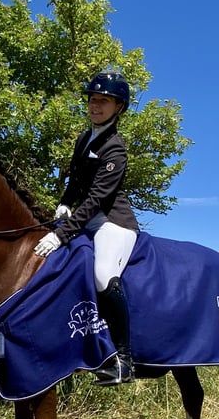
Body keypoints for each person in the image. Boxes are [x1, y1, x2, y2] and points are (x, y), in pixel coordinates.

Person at [33, 70, 139, 386]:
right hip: (84, 219)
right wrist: (64, 202)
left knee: (103, 275)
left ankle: (123, 361)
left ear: (119, 107)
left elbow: (96, 199)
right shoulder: (84, 138)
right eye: (93, 100)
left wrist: (62, 233)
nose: (95, 106)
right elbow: (76, 181)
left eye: (103, 101)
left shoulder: (115, 147)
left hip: (112, 222)